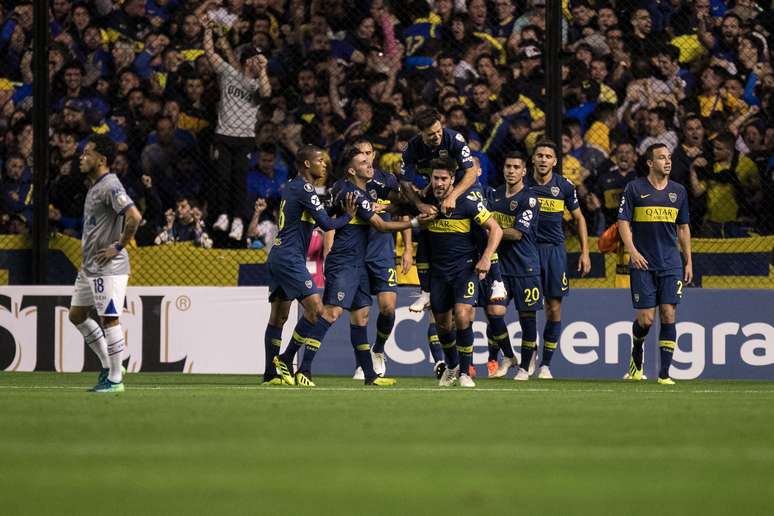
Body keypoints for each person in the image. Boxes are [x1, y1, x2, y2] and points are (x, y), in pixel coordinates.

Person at [274, 147, 432, 387]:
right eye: (363, 162)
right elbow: (380, 225)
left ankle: (369, 375)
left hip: (357, 262)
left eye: (369, 160)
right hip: (344, 261)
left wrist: (413, 203)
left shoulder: (353, 191)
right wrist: (415, 221)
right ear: (351, 170)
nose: (370, 164)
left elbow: (388, 206)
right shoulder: (353, 195)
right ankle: (302, 367)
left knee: (361, 317)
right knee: (331, 313)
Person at [262, 145, 356, 386]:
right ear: (307, 164)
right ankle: (285, 359)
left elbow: (314, 218)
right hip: (289, 258)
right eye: (320, 160)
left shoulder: (293, 187)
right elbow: (325, 224)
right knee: (315, 311)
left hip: (279, 255)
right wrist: (348, 216)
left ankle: (270, 374)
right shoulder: (305, 188)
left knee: (279, 318)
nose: (324, 164)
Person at [400, 108, 506, 311]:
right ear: (421, 133)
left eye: (439, 131)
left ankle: (497, 281)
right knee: (425, 228)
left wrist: (453, 196)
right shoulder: (411, 149)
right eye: (431, 134)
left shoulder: (454, 139)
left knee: (481, 225)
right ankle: (425, 292)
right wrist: (420, 204)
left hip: (463, 185)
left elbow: (471, 173)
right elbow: (405, 183)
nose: (437, 136)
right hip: (436, 184)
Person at [67, 134, 142, 393]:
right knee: (76, 315)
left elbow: (134, 216)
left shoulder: (111, 185)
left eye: (87, 153)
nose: (82, 156)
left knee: (109, 318)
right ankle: (109, 366)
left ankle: (115, 380)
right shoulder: (95, 185)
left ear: (102, 159)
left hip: (109, 267)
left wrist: (119, 246)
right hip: (90, 266)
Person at [617, 143, 693, 385]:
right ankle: (637, 348)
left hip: (671, 263)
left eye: (669, 157)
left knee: (669, 313)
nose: (667, 162)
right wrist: (632, 251)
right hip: (642, 263)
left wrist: (688, 261)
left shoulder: (679, 191)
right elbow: (623, 223)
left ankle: (664, 374)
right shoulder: (634, 188)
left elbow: (683, 228)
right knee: (646, 320)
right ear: (650, 163)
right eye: (661, 158)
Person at [424, 158, 503, 388]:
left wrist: (486, 257)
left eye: (443, 179)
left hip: (465, 270)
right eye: (435, 178)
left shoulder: (467, 202)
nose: (439, 183)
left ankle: (466, 372)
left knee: (462, 313)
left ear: (452, 180)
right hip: (439, 273)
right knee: (442, 325)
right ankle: (452, 366)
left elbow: (495, 229)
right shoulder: (426, 203)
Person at [201, 15, 271, 242]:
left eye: (256, 60)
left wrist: (263, 70)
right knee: (222, 177)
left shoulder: (256, 84)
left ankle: (239, 220)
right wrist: (208, 31)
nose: (254, 62)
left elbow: (267, 93)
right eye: (251, 59)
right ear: (244, 61)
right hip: (223, 135)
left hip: (245, 138)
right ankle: (222, 215)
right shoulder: (230, 74)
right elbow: (210, 54)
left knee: (240, 180)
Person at [526, 139, 591, 379]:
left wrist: (585, 253)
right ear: (533, 159)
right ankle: (528, 354)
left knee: (553, 307)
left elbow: (580, 218)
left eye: (548, 156)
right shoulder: (522, 184)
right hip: (527, 251)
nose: (543, 159)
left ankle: (546, 364)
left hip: (554, 251)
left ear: (554, 161)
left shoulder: (563, 186)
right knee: (528, 307)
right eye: (539, 155)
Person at [350, 139, 412, 380]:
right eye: (360, 154)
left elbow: (402, 211)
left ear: (374, 155)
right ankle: (361, 365)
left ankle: (378, 349)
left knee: (388, 307)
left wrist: (407, 248)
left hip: (383, 253)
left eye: (368, 152)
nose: (365, 157)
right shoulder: (348, 184)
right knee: (361, 314)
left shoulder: (387, 180)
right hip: (357, 254)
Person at [484, 153, 542, 381]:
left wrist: (491, 229)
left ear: (524, 171)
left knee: (527, 318)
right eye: (508, 166)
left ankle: (525, 367)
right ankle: (508, 356)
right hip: (500, 268)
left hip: (525, 267)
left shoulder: (529, 199)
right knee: (493, 312)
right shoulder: (494, 194)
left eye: (516, 167)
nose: (511, 170)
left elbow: (517, 233)